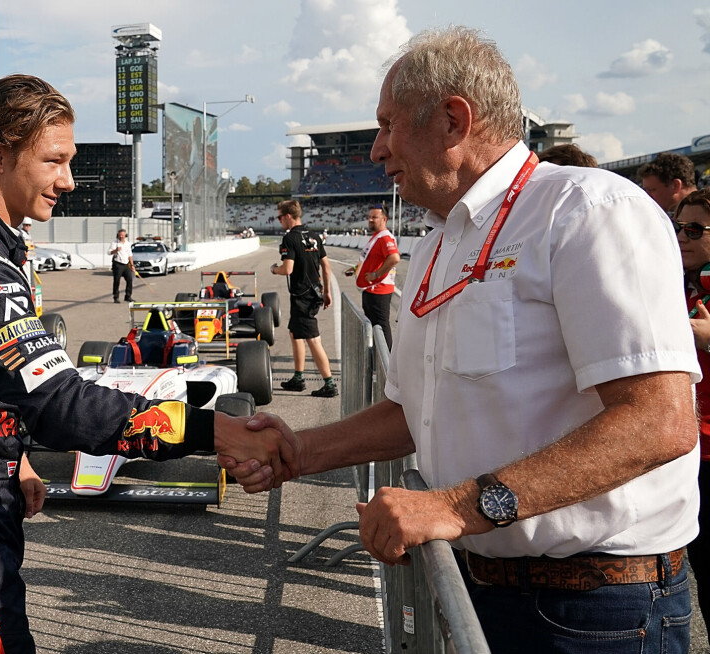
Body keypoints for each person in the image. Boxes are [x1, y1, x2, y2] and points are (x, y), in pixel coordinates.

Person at [224, 27, 700, 653]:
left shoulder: (586, 209)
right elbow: (418, 412)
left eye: (388, 125)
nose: (375, 149)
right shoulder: (441, 242)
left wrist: (453, 508)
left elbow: (658, 423)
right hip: (486, 587)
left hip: (595, 608)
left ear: (453, 119)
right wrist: (301, 450)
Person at [0, 73, 291, 654]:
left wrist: (16, 459)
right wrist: (215, 430)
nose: (70, 180)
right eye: (54, 161)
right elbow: (62, 404)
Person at [674, 187, 710, 636]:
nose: (683, 237)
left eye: (695, 230)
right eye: (679, 227)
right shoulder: (677, 284)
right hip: (689, 450)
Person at [271, 199, 337, 398]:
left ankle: (329, 383)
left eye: (280, 217)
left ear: (288, 216)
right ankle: (298, 378)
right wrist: (327, 292)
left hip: (302, 296)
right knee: (294, 333)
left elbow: (287, 269)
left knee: (313, 340)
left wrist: (274, 269)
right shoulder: (315, 235)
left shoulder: (290, 238)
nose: (279, 220)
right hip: (314, 293)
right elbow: (326, 266)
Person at [344, 205, 399, 352]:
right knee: (374, 326)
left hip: (379, 290)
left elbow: (394, 258)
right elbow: (369, 261)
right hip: (370, 289)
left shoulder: (385, 237)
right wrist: (355, 269)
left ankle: (385, 362)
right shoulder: (376, 237)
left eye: (374, 217)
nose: (370, 220)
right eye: (369, 217)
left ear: (384, 219)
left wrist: (376, 274)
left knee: (380, 326)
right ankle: (378, 358)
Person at [108, 228, 134, 303]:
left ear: (125, 235)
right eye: (120, 235)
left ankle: (128, 296)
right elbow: (109, 252)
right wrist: (116, 250)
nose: (121, 237)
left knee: (129, 280)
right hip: (118, 264)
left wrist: (132, 265)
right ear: (118, 236)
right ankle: (116, 297)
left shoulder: (128, 243)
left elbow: (130, 255)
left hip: (126, 264)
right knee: (117, 281)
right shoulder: (114, 243)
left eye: (123, 235)